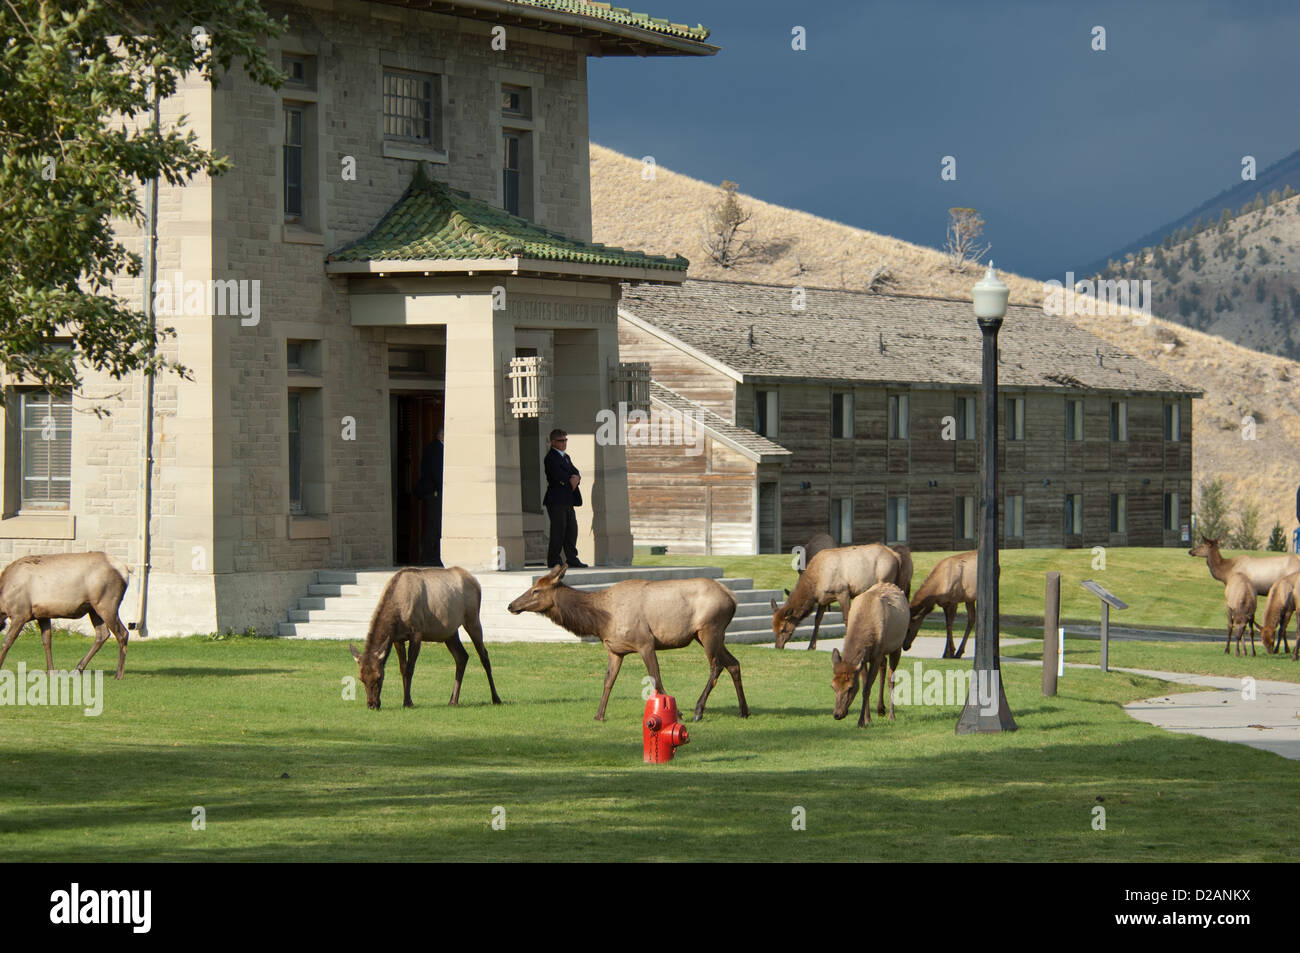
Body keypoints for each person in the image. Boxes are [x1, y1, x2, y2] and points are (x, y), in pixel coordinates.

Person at [543, 428, 587, 568]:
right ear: (553, 442)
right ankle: (554, 559)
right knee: (558, 530)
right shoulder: (550, 457)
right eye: (561, 440)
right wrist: (571, 481)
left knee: (571, 529)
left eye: (565, 440)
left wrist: (576, 478)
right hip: (556, 500)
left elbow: (575, 471)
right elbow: (557, 476)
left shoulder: (565, 457)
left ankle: (571, 558)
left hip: (568, 499)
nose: (564, 443)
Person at [415, 427, 444, 566]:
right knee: (434, 525)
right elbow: (436, 472)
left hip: (435, 492)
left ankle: (434, 556)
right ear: (441, 435)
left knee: (437, 526)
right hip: (434, 493)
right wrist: (442, 488)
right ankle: (428, 558)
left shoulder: (437, 448)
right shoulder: (435, 449)